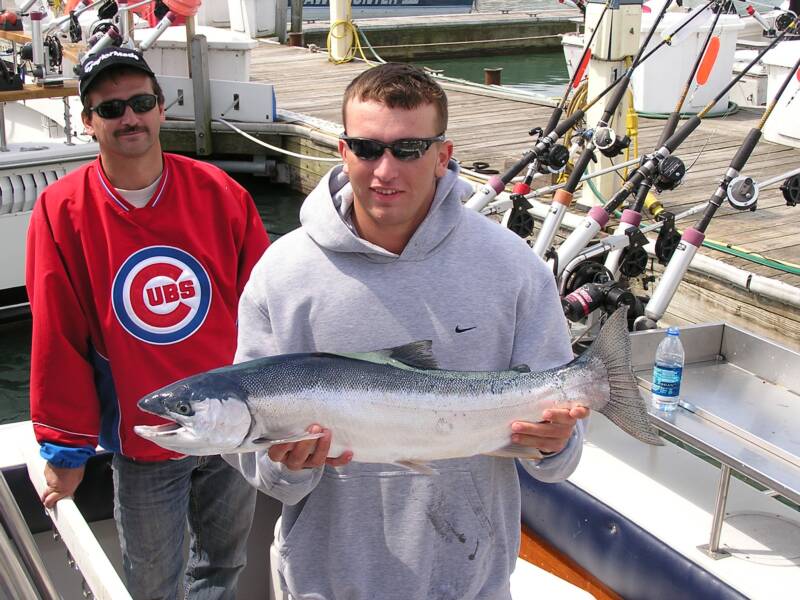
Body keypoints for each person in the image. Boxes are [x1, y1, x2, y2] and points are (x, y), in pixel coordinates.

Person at [228, 62, 590, 600]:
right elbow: (253, 453)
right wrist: (289, 470)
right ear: (342, 151)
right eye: (368, 148)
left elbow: (561, 457)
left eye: (409, 149)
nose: (385, 170)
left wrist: (554, 444)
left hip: (470, 583)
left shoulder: (514, 268)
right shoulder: (281, 274)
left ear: (444, 156)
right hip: (324, 584)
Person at [26, 46, 269, 599]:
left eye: (140, 102)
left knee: (225, 565)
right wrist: (65, 450)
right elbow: (56, 336)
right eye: (110, 109)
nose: (128, 117)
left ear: (162, 108)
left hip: (237, 429)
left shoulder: (221, 193)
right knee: (152, 584)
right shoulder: (60, 210)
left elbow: (265, 308)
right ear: (88, 122)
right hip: (146, 435)